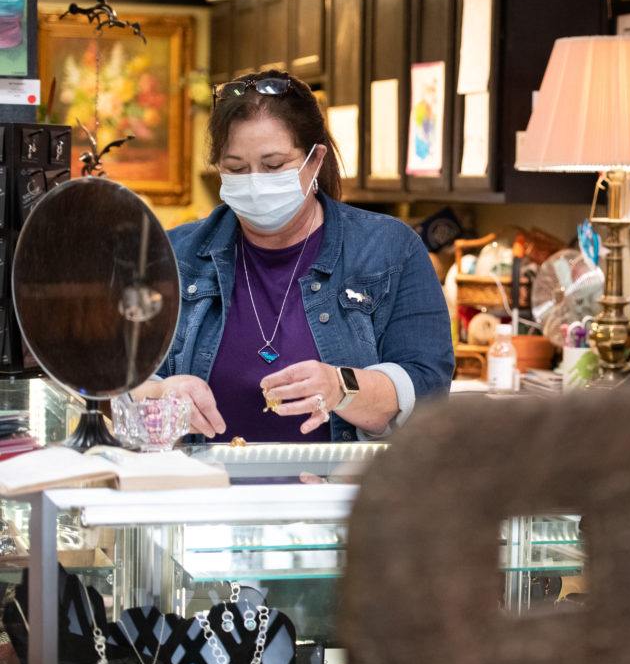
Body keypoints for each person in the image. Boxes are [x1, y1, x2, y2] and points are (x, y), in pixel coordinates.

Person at [132, 70, 454, 442]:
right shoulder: (174, 257)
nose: (254, 182)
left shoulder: (389, 250)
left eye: (273, 166)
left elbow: (427, 389)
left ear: (315, 161)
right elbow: (116, 387)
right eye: (236, 168)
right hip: (207, 493)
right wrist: (159, 395)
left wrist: (341, 386)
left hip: (336, 492)